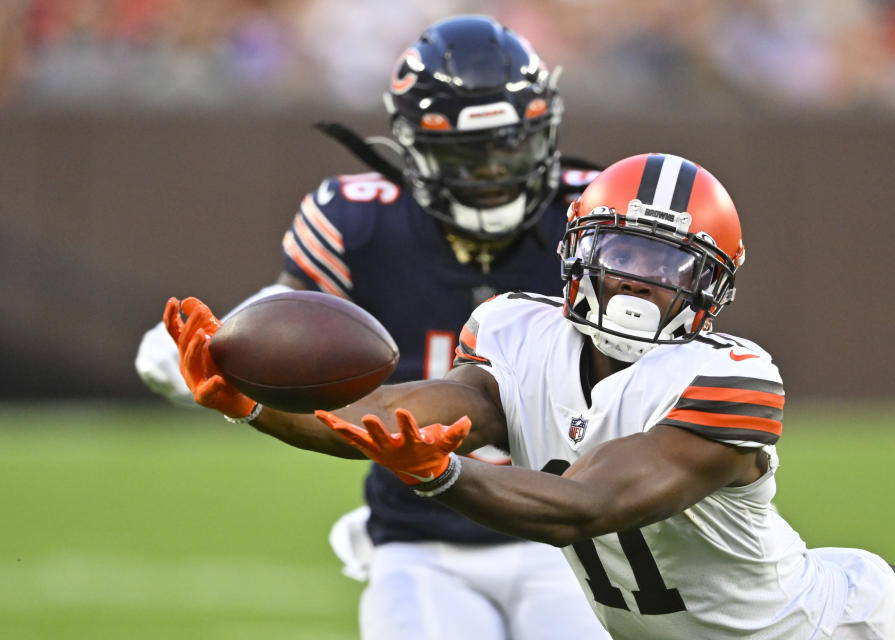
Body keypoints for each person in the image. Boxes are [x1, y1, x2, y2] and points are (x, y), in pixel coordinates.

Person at [164, 153, 895, 639]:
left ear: (712, 290)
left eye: (672, 267)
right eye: (621, 253)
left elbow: (582, 508)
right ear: (577, 252)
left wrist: (440, 475)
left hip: (834, 630)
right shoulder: (516, 334)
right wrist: (251, 403)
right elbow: (394, 416)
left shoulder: (729, 380)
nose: (640, 283)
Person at [137, 14, 611, 640]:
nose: (494, 175)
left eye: (509, 149)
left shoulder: (595, 216)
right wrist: (216, 348)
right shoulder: (358, 220)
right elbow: (288, 317)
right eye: (468, 156)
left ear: (545, 130)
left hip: (570, 538)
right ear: (412, 147)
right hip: (421, 540)